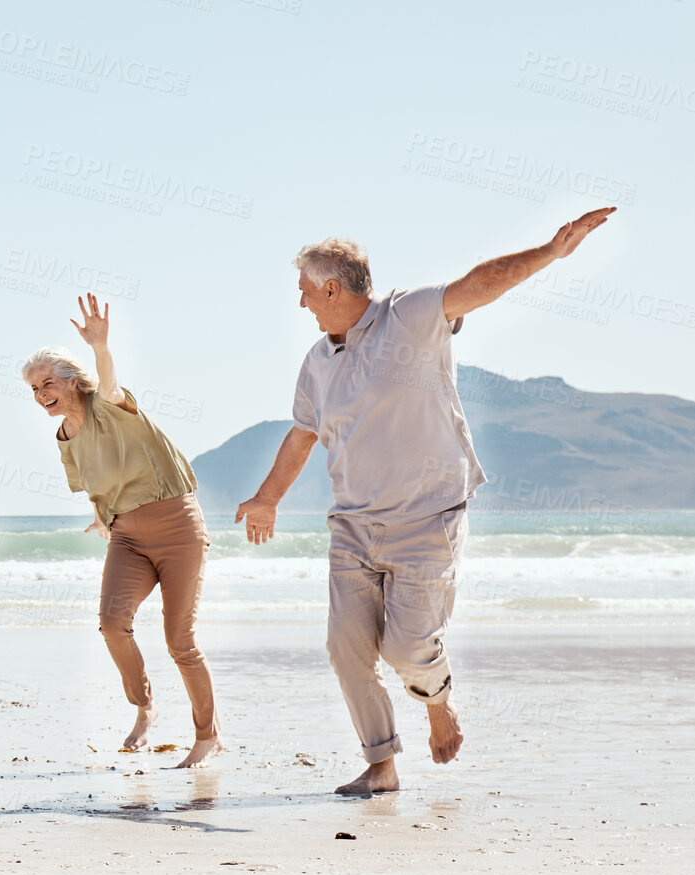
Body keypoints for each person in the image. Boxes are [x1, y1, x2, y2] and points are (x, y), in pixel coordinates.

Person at [235, 207, 617, 795]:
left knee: (408, 651)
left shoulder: (408, 315)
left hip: (427, 519)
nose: (302, 303)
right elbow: (302, 434)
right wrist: (267, 498)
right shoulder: (316, 362)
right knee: (346, 649)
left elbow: (477, 285)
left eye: (306, 292)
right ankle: (381, 763)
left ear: (331, 287)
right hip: (353, 527)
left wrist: (548, 253)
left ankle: (437, 698)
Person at [22, 294, 220, 767]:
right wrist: (102, 513)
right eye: (33, 388)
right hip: (127, 536)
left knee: (180, 641)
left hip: (177, 528)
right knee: (112, 625)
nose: (41, 393)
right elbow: (95, 482)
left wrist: (100, 346)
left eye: (48, 382)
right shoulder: (65, 437)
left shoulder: (109, 405)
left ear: (73, 381)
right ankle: (144, 707)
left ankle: (207, 736)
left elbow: (107, 382)